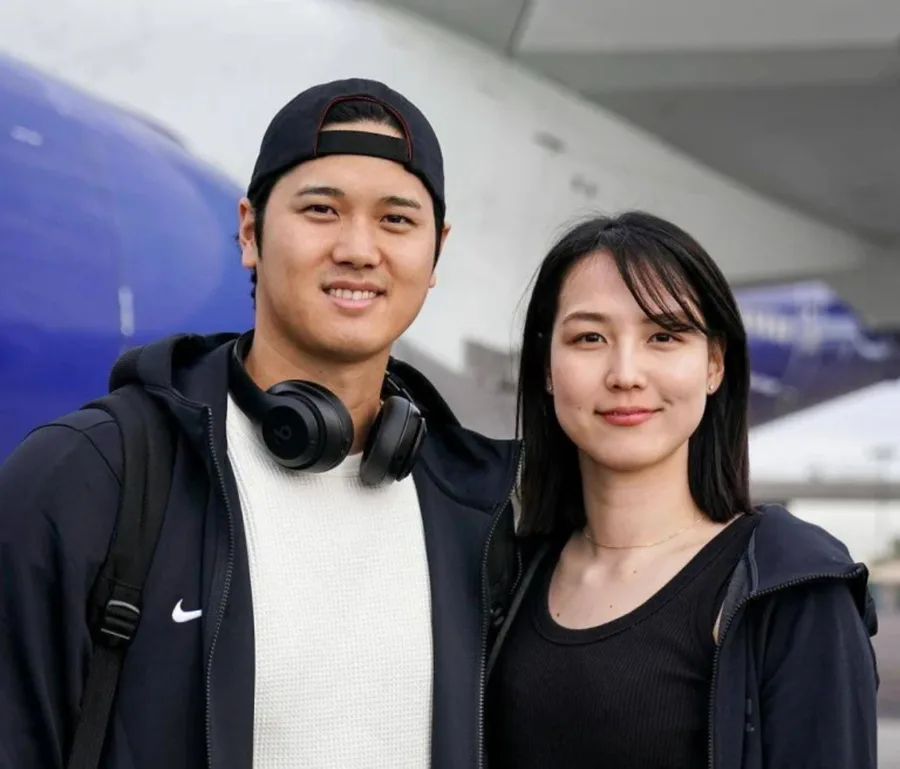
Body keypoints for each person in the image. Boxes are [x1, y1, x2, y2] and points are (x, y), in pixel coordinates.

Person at [0, 79, 522, 769]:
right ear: (250, 231)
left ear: (436, 253)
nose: (359, 249)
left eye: (396, 220)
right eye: (321, 209)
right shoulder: (92, 475)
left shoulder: (474, 514)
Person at [485, 211, 880, 769]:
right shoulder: (505, 577)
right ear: (547, 367)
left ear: (714, 364)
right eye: (589, 337)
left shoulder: (791, 584)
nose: (625, 373)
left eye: (664, 336)